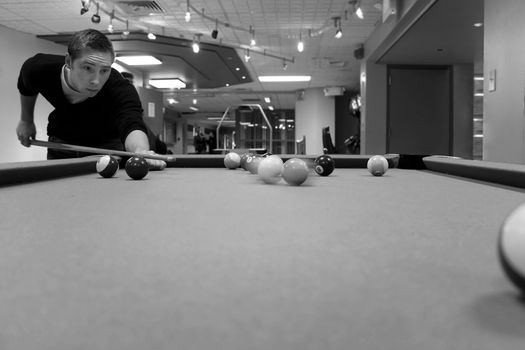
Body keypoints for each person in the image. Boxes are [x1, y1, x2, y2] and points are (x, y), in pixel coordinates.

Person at [16, 28, 165, 169]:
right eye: (88, 68)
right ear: (68, 62)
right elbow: (26, 85)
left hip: (107, 145)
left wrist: (140, 151)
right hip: (62, 140)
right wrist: (26, 120)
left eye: (104, 70)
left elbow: (132, 123)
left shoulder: (120, 88)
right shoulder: (39, 68)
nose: (96, 80)